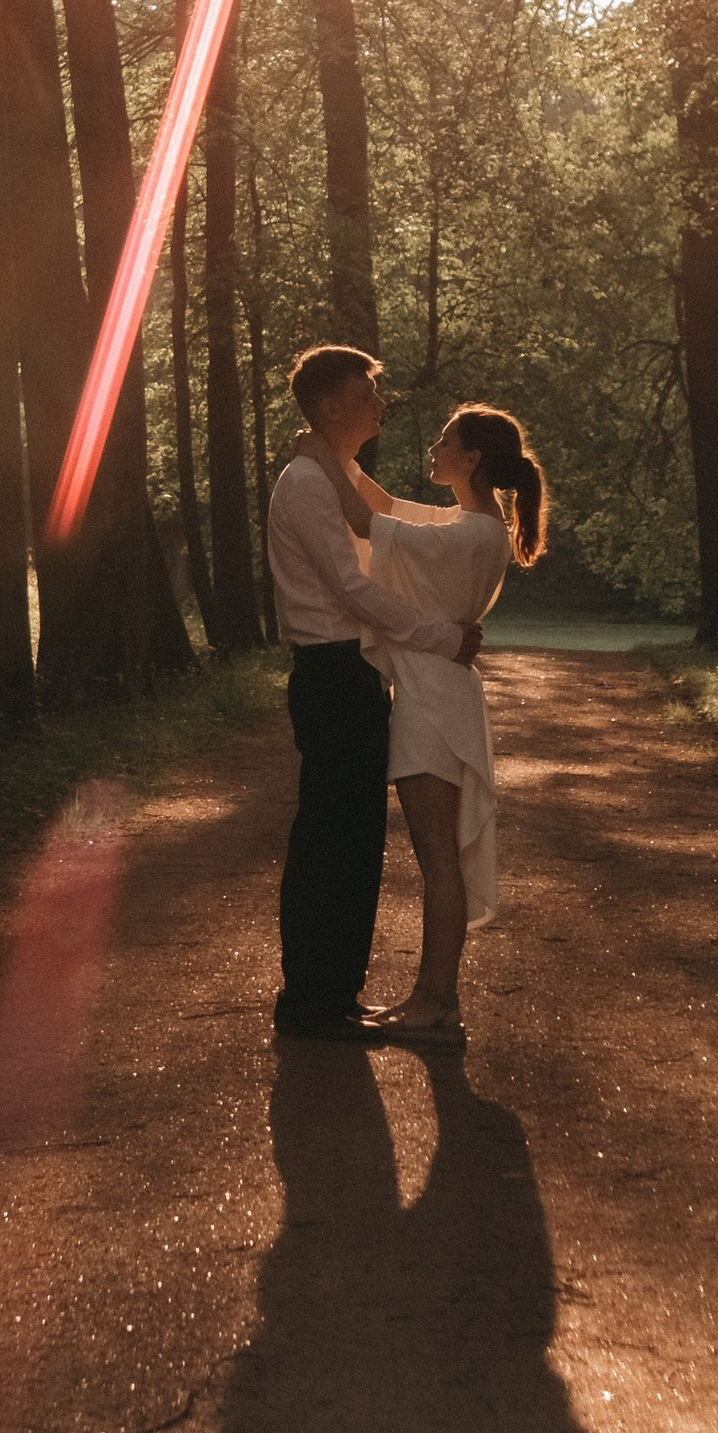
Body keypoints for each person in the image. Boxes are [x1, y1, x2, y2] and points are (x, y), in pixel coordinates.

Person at [265, 345, 486, 1042]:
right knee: (331, 836)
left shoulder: (340, 475)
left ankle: (335, 993)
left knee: (355, 839)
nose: (381, 406)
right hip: (331, 669)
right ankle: (311, 1000)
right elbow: (350, 588)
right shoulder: (305, 482)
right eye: (368, 395)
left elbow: (401, 524)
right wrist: (441, 636)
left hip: (355, 672)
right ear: (332, 406)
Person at [318, 402, 548, 1045]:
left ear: (471, 458)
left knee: (437, 861)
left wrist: (318, 460)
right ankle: (432, 998)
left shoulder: (472, 535)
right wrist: (336, 453)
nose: (434, 447)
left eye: (445, 439)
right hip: (438, 691)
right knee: (436, 860)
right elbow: (386, 507)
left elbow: (367, 520)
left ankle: (436, 1001)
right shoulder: (467, 525)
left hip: (434, 702)